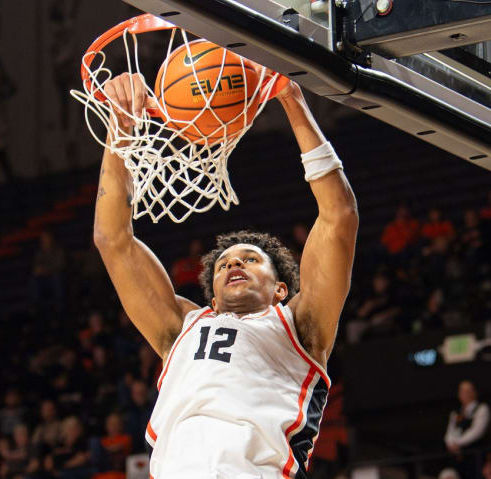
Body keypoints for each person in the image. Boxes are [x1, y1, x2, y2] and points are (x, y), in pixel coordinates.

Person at [93, 72, 358, 477]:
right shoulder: (182, 325)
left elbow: (338, 217)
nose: (234, 264)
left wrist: (290, 97)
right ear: (212, 298)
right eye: (224, 264)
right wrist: (120, 127)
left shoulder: (300, 324)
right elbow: (112, 240)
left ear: (281, 289)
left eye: (251, 260)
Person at [444, 380, 491, 479]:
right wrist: (450, 443)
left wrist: (458, 443)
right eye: (462, 391)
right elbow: (450, 432)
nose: (464, 394)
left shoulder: (482, 408)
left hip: (476, 456)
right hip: (458, 457)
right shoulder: (456, 413)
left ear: (474, 392)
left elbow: (477, 431)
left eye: (467, 391)